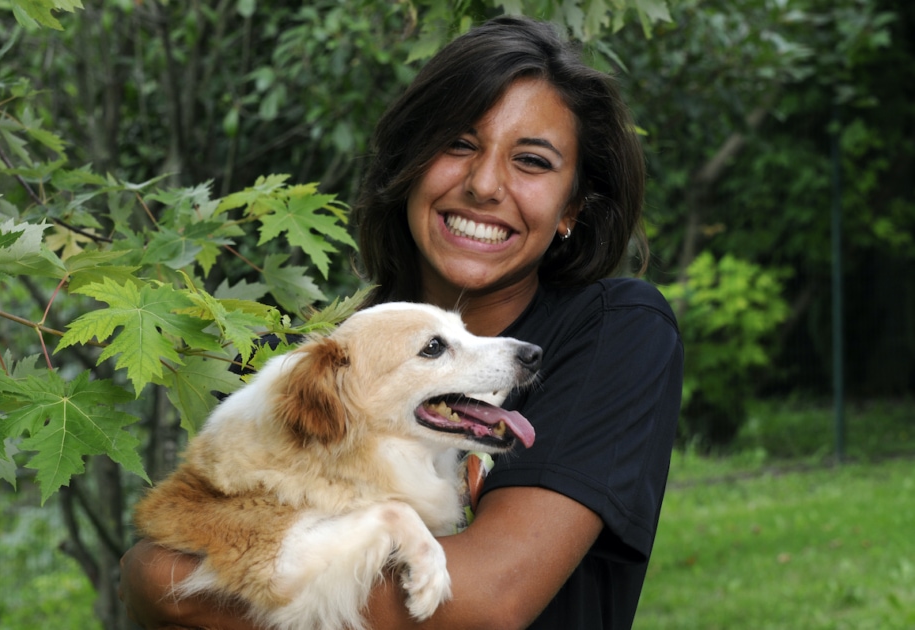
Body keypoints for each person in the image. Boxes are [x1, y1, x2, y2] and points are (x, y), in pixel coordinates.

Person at [118, 15, 683, 630]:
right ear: (409, 163)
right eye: (459, 144)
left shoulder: (615, 331)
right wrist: (159, 576)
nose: (485, 184)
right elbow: (175, 537)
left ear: (573, 206)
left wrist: (182, 586)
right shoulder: (323, 362)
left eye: (532, 161)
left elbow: (486, 600)